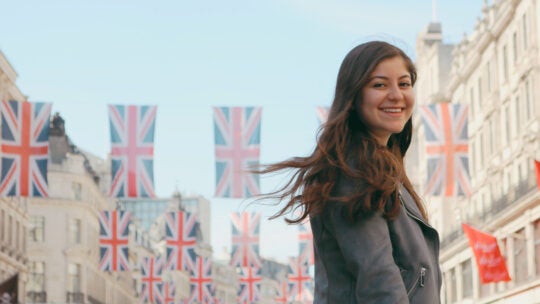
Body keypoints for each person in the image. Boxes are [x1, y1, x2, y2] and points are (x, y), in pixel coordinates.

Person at [257, 41, 442, 303]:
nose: (396, 95)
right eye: (379, 85)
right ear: (353, 96)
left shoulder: (382, 170)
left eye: (404, 83)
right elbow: (379, 280)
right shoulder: (354, 172)